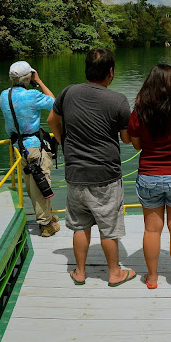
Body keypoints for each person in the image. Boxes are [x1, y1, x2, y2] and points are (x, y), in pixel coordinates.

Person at [47, 48, 136, 287]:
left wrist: (63, 140)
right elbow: (127, 139)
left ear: (86, 69)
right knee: (109, 227)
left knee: (79, 224)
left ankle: (80, 272)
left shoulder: (68, 93)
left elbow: (51, 121)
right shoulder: (117, 100)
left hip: (75, 172)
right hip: (105, 175)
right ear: (111, 72)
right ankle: (115, 273)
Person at [127, 64, 171, 292]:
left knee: (151, 230)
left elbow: (136, 145)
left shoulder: (139, 113)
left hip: (149, 176)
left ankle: (152, 278)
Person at [0, 61, 60, 237]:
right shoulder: (32, 95)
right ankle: (46, 225)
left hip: (17, 146)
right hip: (33, 146)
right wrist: (39, 82)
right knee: (41, 182)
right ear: (28, 78)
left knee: (31, 183)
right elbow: (56, 105)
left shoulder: (4, 95)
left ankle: (46, 216)